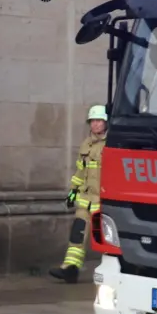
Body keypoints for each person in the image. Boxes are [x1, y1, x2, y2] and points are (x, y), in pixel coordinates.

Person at [51, 105, 109, 283]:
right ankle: (70, 269)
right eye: (93, 121)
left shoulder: (112, 144)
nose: (95, 124)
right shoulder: (86, 144)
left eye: (99, 121)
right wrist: (73, 193)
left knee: (106, 239)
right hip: (85, 199)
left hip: (103, 200)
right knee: (77, 233)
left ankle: (112, 272)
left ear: (106, 122)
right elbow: (80, 171)